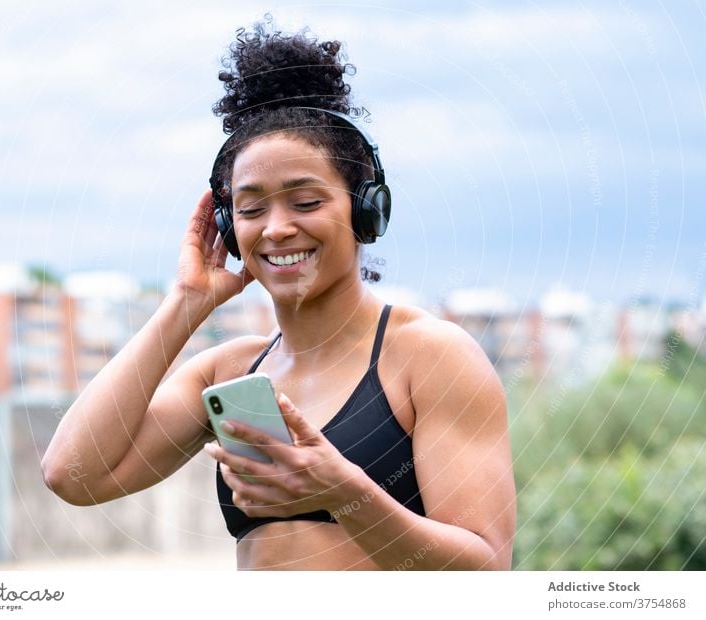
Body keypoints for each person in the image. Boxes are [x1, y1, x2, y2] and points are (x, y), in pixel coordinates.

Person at [41, 18, 516, 570]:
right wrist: (185, 305)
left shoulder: (430, 356)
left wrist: (344, 493)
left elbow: (487, 570)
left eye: (307, 202)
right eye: (250, 208)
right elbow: (73, 474)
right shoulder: (230, 373)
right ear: (227, 225)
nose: (276, 228)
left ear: (366, 210)